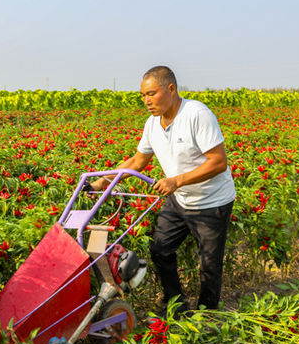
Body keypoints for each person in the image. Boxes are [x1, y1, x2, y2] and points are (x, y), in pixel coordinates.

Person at [88, 66, 235, 311]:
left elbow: (218, 162)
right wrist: (103, 180)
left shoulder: (196, 114)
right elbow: (137, 161)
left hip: (211, 202)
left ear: (171, 89)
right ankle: (175, 302)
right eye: (143, 96)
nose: (146, 101)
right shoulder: (152, 124)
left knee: (209, 264)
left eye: (151, 94)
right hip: (179, 199)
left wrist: (176, 181)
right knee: (160, 249)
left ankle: (207, 314)